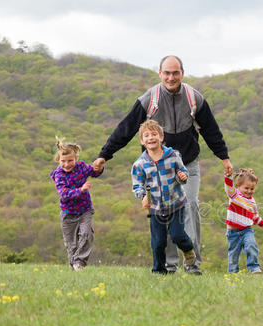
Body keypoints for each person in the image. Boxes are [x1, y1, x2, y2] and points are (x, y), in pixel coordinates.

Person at [93, 55, 232, 274]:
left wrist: (224, 158)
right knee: (165, 212)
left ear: (182, 74)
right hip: (157, 169)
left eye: (175, 73)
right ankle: (170, 265)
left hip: (187, 165)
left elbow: (211, 131)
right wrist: (104, 155)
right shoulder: (149, 99)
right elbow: (126, 129)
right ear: (160, 74)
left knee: (190, 206)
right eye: (167, 73)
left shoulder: (194, 98)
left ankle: (192, 264)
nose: (171, 77)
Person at [132, 120, 197, 275]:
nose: (151, 138)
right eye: (146, 136)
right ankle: (159, 271)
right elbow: (137, 185)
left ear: (161, 137)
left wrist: (183, 176)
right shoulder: (140, 164)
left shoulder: (173, 156)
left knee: (177, 235)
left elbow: (183, 173)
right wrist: (142, 196)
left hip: (176, 203)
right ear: (142, 141)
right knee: (158, 241)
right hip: (155, 207)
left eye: (154, 134)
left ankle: (188, 250)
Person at [50, 137, 103, 271]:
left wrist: (99, 167)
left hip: (85, 210)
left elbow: (94, 172)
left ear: (76, 159)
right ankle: (73, 267)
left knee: (87, 234)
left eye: (70, 161)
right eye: (63, 161)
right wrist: (81, 190)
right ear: (58, 160)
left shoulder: (82, 167)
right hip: (68, 213)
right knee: (71, 244)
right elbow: (64, 193)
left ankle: (79, 262)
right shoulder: (59, 175)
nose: (67, 164)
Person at [224, 168, 263, 274]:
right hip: (233, 232)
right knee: (233, 253)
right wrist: (228, 177)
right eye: (246, 188)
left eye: (252, 189)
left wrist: (260, 222)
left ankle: (254, 268)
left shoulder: (252, 201)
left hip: (247, 230)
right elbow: (229, 188)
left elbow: (254, 214)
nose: (249, 191)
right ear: (238, 185)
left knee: (252, 245)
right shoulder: (235, 195)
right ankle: (233, 273)